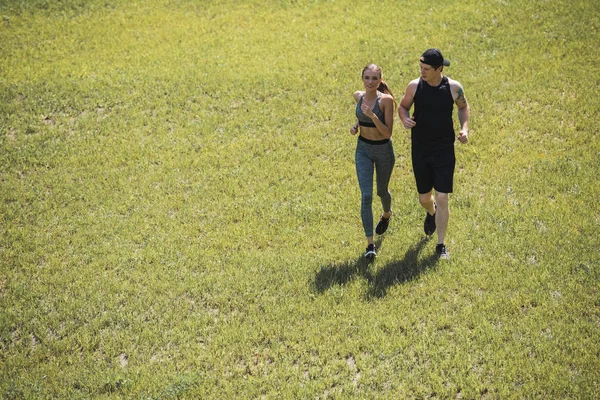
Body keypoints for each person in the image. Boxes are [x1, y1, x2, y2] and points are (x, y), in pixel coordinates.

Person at [397, 48, 470, 259]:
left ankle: (441, 245)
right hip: (420, 149)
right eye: (420, 67)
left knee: (442, 195)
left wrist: (464, 128)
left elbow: (463, 107)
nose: (422, 71)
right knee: (424, 198)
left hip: (444, 149)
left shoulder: (453, 88)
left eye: (426, 68)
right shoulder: (414, 86)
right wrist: (404, 118)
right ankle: (432, 212)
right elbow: (402, 107)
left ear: (439, 69)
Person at [350, 64, 396, 259]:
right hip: (363, 151)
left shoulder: (386, 101)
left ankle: (387, 214)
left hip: (383, 151)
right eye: (367, 78)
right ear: (362, 78)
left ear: (380, 80)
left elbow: (388, 132)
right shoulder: (358, 96)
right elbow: (361, 118)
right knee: (366, 195)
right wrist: (356, 125)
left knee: (381, 191)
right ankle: (370, 244)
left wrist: (372, 116)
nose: (370, 82)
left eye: (374, 78)